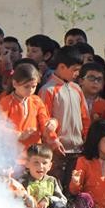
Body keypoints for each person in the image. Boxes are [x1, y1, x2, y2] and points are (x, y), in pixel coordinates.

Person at [40, 46, 89, 187]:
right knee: (56, 186)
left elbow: (85, 117)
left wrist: (86, 137)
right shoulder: (47, 90)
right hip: (57, 151)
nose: (77, 74)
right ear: (62, 67)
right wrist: (53, 141)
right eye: (74, 70)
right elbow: (44, 120)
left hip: (77, 149)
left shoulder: (77, 89)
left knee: (73, 187)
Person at [0, 62, 55, 163]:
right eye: (26, 86)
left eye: (34, 86)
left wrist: (51, 125)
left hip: (35, 154)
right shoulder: (6, 102)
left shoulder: (36, 100)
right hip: (13, 154)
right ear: (15, 84)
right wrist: (19, 135)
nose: (30, 90)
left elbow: (44, 121)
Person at [19, 144, 69, 208]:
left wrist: (48, 199)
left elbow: (63, 200)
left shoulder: (51, 180)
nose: (41, 166)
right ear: (27, 163)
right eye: (36, 162)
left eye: (44, 163)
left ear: (50, 166)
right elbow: (15, 201)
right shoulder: (23, 181)